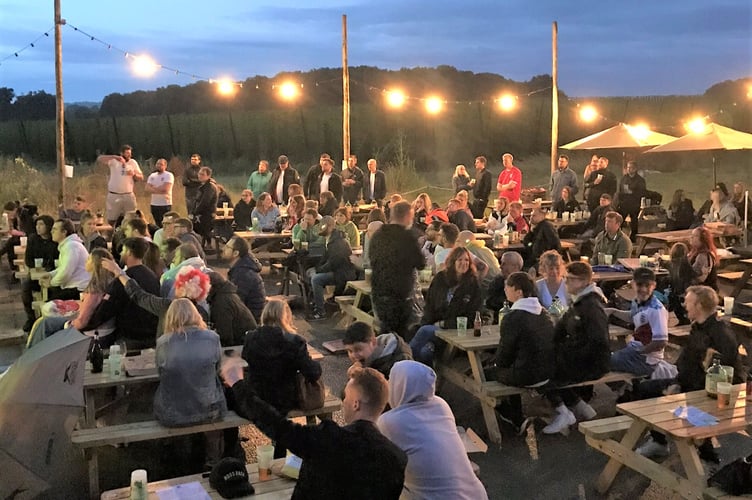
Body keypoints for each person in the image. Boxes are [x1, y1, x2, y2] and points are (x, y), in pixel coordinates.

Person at [221, 364, 407, 500]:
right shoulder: (397, 458)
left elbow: (276, 425)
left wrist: (238, 385)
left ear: (356, 403)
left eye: (346, 397)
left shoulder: (327, 437)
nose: (343, 403)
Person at [632, 286, 742, 460]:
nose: (684, 305)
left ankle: (702, 451)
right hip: (692, 383)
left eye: (688, 302)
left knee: (663, 399)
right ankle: (663, 442)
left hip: (714, 392)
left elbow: (722, 374)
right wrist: (677, 382)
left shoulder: (720, 334)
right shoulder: (699, 327)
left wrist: (682, 390)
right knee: (644, 389)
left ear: (698, 306)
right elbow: (688, 362)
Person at [377, 360, 489, 500]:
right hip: (476, 495)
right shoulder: (441, 405)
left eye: (391, 380)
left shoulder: (390, 422)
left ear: (400, 385)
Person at [241, 298, 322, 459]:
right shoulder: (294, 341)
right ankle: (302, 452)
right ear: (285, 317)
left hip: (257, 396)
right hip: (285, 398)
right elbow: (313, 373)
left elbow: (246, 359)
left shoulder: (251, 338)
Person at [543, 261, 610, 435]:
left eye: (571, 280)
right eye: (566, 278)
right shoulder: (578, 303)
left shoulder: (591, 306)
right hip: (579, 358)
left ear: (584, 282)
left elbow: (598, 342)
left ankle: (563, 412)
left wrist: (566, 354)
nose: (566, 283)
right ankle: (582, 409)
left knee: (542, 372)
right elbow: (561, 329)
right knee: (545, 360)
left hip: (592, 364)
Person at [490, 272, 555, 432]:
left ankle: (514, 416)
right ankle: (517, 416)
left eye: (508, 286)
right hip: (547, 372)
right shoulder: (544, 313)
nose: (505, 289)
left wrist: (495, 363)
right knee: (511, 367)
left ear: (519, 292)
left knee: (482, 374)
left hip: (527, 374)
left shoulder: (512, 318)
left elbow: (504, 357)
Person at [154, 298, 227, 427]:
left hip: (172, 415)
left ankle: (177, 445)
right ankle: (215, 445)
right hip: (210, 410)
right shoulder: (212, 338)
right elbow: (217, 368)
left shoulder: (163, 343)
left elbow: (161, 374)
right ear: (196, 314)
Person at [409, 247, 481, 366]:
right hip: (434, 327)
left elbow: (473, 316)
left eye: (467, 260)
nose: (464, 263)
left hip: (457, 330)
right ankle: (426, 379)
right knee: (425, 352)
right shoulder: (440, 279)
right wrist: (428, 322)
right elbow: (430, 305)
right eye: (460, 260)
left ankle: (404, 363)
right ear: (452, 262)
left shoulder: (473, 285)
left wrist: (444, 324)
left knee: (425, 331)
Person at [86, 237, 160, 350]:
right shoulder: (152, 276)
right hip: (151, 335)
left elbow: (106, 311)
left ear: (129, 252)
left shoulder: (123, 280)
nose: (120, 254)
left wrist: (84, 325)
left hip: (130, 336)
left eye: (123, 251)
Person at [370, 201, 425, 338]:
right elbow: (421, 263)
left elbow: (371, 259)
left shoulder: (378, 235)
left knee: (385, 331)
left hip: (379, 291)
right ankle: (397, 357)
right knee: (399, 335)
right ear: (407, 216)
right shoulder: (407, 237)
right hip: (400, 294)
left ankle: (384, 355)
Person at [607, 268, 670, 377]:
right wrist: (613, 311)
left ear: (654, 286)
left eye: (648, 285)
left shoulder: (657, 310)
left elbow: (661, 342)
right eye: (640, 285)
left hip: (646, 361)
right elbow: (633, 316)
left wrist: (640, 351)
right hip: (634, 351)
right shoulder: (636, 301)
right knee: (602, 359)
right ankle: (625, 389)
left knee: (602, 363)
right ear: (633, 284)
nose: (644, 289)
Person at [307, 216, 357, 320]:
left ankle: (320, 311)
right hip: (337, 271)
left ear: (329, 227)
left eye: (322, 226)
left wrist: (319, 270)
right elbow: (326, 259)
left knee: (316, 279)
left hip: (342, 273)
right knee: (310, 272)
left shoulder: (337, 242)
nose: (320, 228)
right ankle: (315, 301)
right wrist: (317, 268)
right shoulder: (331, 240)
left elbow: (333, 263)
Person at [21, 215, 59, 331]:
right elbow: (28, 260)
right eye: (37, 224)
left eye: (41, 224)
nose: (38, 227)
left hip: (53, 273)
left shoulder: (55, 240)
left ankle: (50, 317)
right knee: (26, 287)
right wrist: (37, 267)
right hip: (35, 273)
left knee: (55, 288)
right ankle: (31, 317)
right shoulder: (33, 239)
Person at [344, 321, 412, 380]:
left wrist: (360, 378)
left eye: (358, 349)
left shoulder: (397, 363)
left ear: (373, 342)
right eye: (350, 351)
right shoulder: (366, 358)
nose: (353, 355)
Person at [42, 219, 90, 301]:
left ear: (64, 232)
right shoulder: (68, 245)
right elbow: (63, 268)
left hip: (79, 289)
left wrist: (51, 283)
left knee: (49, 307)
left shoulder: (71, 246)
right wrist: (51, 274)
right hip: (73, 287)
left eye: (55, 229)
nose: (51, 232)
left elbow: (66, 272)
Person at [206, 272, 258, 346]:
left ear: (210, 287)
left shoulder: (221, 303)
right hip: (249, 340)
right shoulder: (228, 295)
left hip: (243, 344)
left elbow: (224, 335)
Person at [98, 144, 144, 225]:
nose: (129, 155)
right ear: (121, 153)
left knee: (132, 218)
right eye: (127, 153)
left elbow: (141, 177)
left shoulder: (133, 162)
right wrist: (115, 157)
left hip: (128, 195)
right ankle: (112, 234)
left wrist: (134, 174)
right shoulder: (114, 161)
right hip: (114, 195)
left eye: (130, 153)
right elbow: (100, 159)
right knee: (112, 219)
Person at [224, 236, 266, 321]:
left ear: (236, 253)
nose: (223, 248)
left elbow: (236, 303)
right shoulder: (242, 268)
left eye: (227, 247)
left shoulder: (243, 274)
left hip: (250, 321)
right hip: (249, 316)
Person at [614, 160, 646, 241]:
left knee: (634, 222)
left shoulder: (640, 180)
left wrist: (632, 192)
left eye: (631, 168)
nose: (629, 169)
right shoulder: (624, 178)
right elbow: (620, 190)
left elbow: (642, 192)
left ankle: (633, 238)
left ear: (635, 169)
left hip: (634, 203)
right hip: (624, 203)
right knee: (619, 219)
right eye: (627, 167)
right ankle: (617, 235)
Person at [667, 242, 696, 325]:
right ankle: (684, 320)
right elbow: (693, 276)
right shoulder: (686, 265)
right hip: (684, 291)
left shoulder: (671, 264)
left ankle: (682, 320)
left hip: (677, 293)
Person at [191, 166, 218, 250]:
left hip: (207, 213)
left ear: (208, 176)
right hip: (202, 213)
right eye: (199, 174)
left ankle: (207, 245)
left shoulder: (210, 187)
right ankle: (205, 244)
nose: (200, 176)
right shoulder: (202, 186)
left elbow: (205, 202)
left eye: (202, 174)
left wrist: (196, 212)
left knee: (201, 229)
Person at [145, 157, 174, 227]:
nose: (159, 165)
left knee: (166, 223)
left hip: (165, 204)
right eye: (157, 164)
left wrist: (153, 188)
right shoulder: (152, 176)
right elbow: (147, 188)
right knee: (157, 223)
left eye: (161, 164)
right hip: (154, 204)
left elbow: (166, 189)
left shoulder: (168, 175)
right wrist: (159, 189)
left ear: (165, 166)